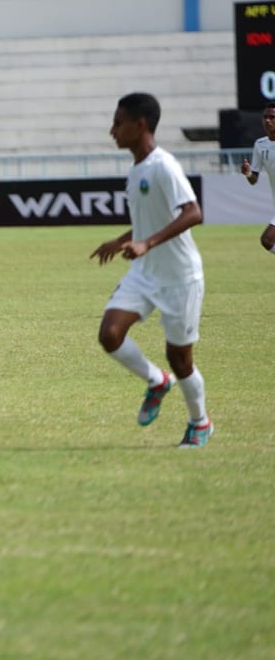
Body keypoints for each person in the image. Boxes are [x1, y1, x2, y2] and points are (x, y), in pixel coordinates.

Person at [89, 92, 211, 448]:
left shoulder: (163, 166)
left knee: (181, 358)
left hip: (180, 278)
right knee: (110, 334)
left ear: (139, 125)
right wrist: (122, 240)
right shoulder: (137, 169)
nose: (112, 130)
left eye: (117, 122)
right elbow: (147, 223)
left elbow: (193, 213)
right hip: (146, 273)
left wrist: (147, 243)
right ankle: (157, 381)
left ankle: (200, 422)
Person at [238, 101, 275, 254]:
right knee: (267, 241)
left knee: (267, 239)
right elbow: (254, 179)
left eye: (272, 117)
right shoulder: (260, 145)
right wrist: (247, 173)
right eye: (265, 117)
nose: (267, 120)